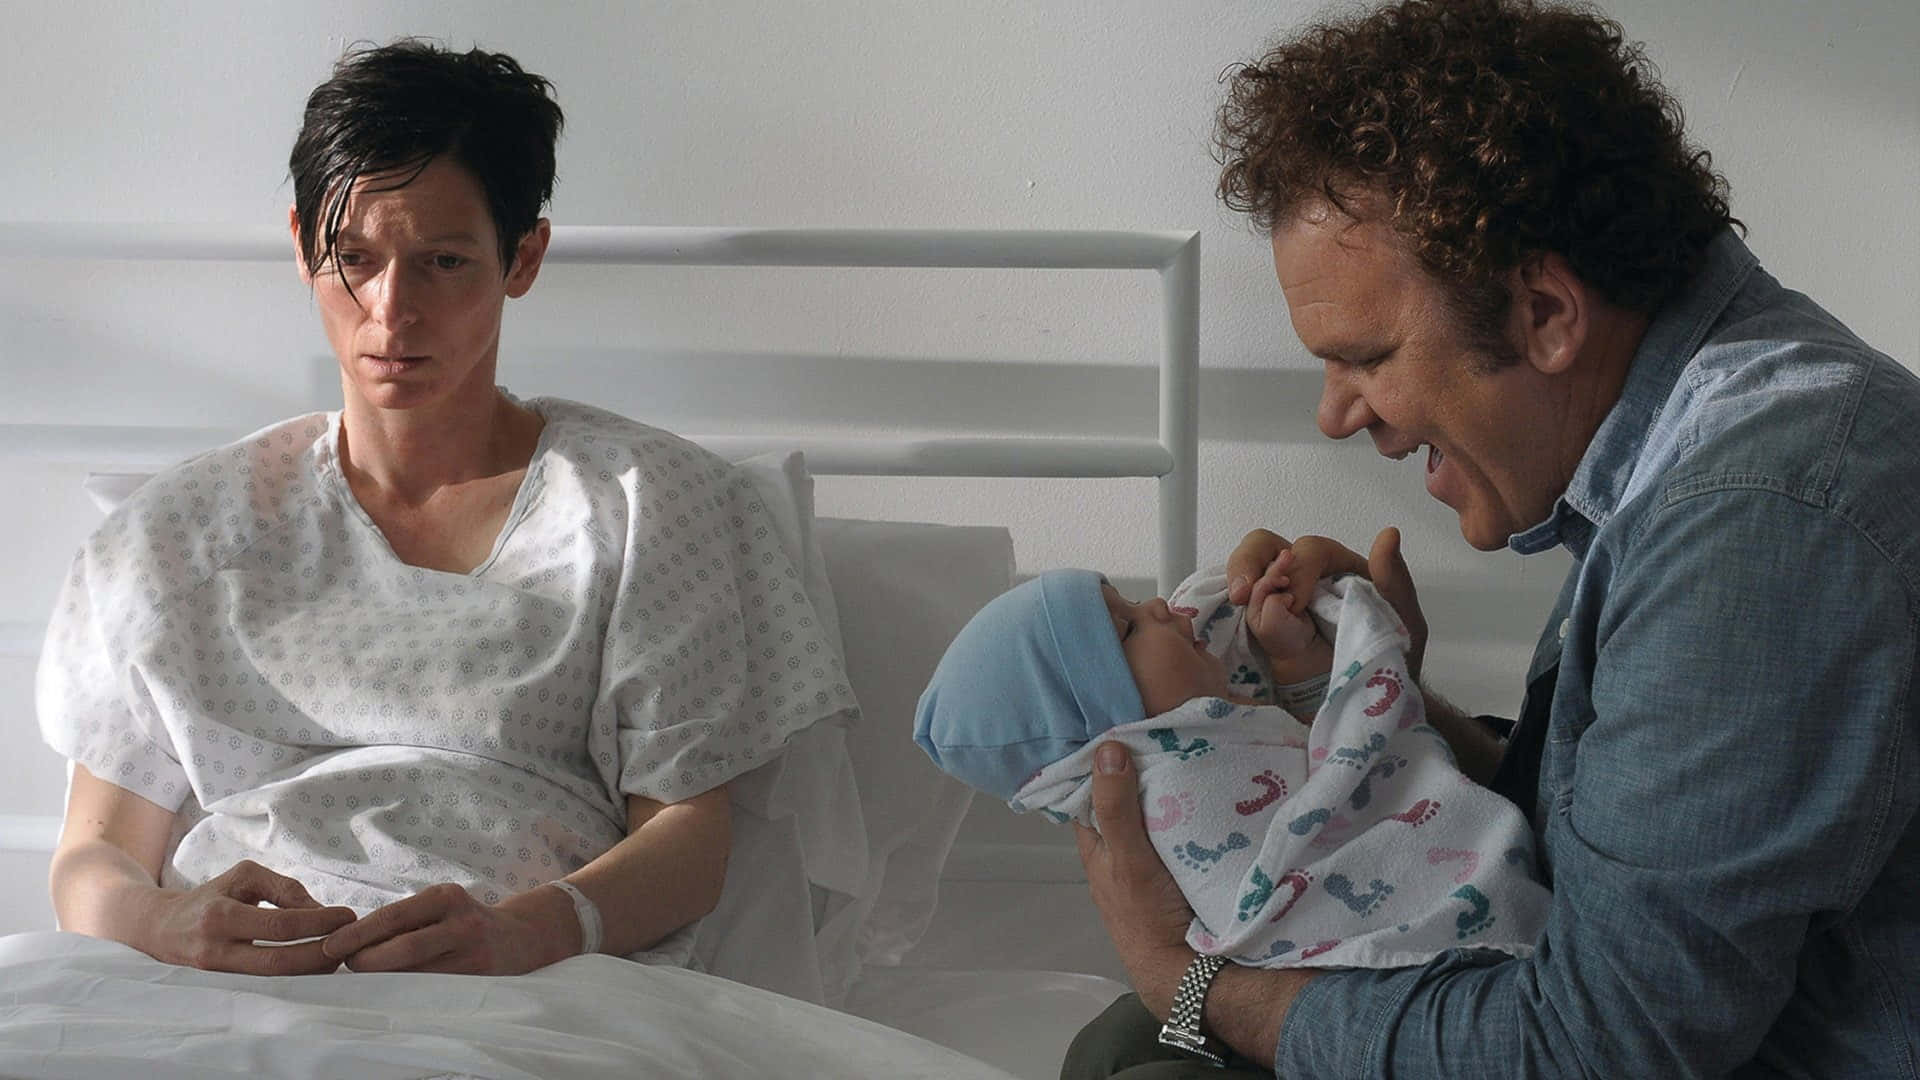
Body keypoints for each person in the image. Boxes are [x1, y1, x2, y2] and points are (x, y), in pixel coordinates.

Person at [1064, 0, 1920, 1076]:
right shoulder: (1712, 438)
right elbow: (1618, 859)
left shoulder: (1759, 526)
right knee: (1133, 1048)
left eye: (1366, 355)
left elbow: (1606, 1045)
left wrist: (1189, 981)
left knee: (1152, 1050)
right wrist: (1378, 702)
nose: (1337, 413)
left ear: (1546, 314)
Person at [38, 40, 855, 980]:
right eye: (353, 258)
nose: (392, 311)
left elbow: (688, 836)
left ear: (524, 257)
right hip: (230, 992)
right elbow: (93, 857)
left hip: (531, 987)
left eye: (444, 261)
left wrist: (533, 932)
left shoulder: (643, 506)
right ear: (303, 245)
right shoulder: (177, 533)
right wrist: (162, 925)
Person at [914, 562, 1548, 1008]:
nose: (1161, 606)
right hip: (1401, 960)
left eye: (1133, 602)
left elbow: (1323, 778)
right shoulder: (1173, 790)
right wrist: (1356, 678)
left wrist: (1300, 671)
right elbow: (1334, 786)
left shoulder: (1204, 738)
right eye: (1130, 628)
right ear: (1105, 719)